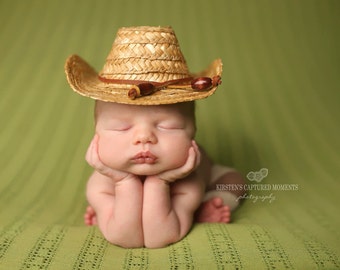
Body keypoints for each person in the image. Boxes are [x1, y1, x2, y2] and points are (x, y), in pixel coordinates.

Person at [65, 26, 246, 248]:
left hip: (204, 179)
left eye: (168, 127)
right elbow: (126, 239)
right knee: (114, 210)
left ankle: (208, 204)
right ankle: (112, 211)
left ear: (193, 132)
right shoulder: (100, 185)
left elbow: (158, 238)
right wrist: (122, 181)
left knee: (234, 180)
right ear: (97, 132)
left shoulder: (189, 181)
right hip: (114, 183)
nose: (144, 138)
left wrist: (162, 181)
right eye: (122, 128)